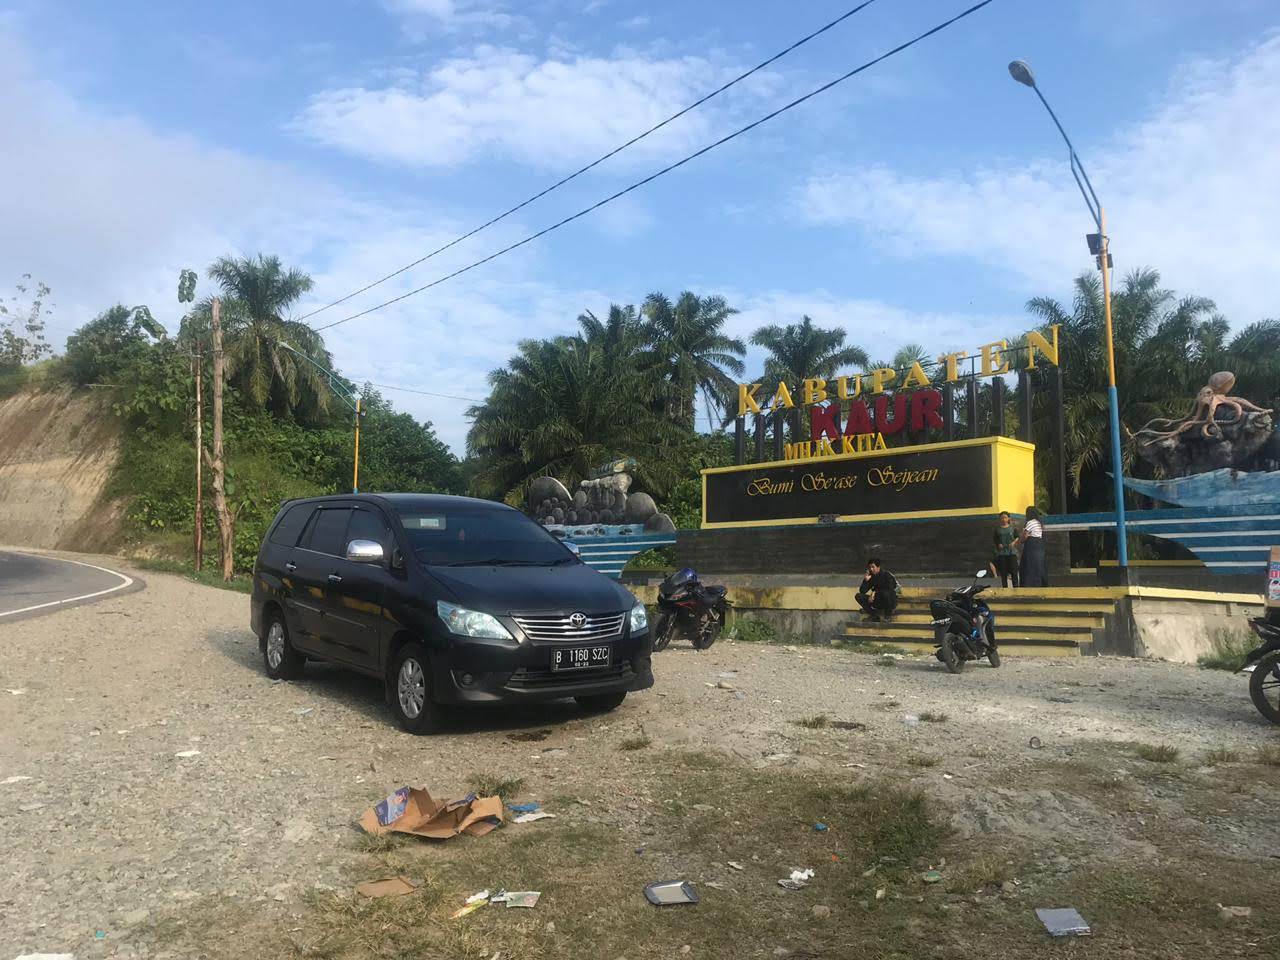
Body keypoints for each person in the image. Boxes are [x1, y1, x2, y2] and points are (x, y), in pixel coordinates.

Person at [1017, 505, 1048, 587]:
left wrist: (1020, 540)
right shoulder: (1039, 523)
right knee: (1039, 565)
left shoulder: (1030, 522)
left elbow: (1025, 536)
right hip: (1039, 545)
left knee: (1028, 565)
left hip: (1031, 545)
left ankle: (1028, 584)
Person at [992, 511, 1020, 588]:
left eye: (1005, 517)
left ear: (1008, 518)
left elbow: (1017, 537)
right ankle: (1005, 589)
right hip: (1002, 553)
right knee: (1003, 573)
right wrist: (998, 544)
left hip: (1012, 552)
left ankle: (1016, 588)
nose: (1003, 519)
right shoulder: (997, 529)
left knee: (1014, 572)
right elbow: (995, 539)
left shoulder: (1013, 528)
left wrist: (1014, 542)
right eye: (1002, 518)